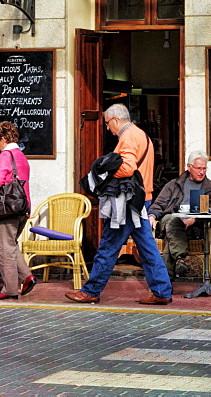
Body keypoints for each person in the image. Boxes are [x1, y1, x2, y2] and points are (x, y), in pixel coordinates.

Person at [66, 104, 172, 305]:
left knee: (109, 245)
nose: (107, 128)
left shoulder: (128, 137)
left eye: (107, 123)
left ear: (115, 120)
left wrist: (102, 173)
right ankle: (161, 291)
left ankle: (91, 291)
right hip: (142, 199)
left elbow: (127, 168)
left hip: (127, 202)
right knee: (147, 248)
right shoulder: (140, 134)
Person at [148, 150, 211, 278]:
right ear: (189, 167)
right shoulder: (174, 185)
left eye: (204, 168)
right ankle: (179, 259)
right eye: (199, 168)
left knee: (170, 234)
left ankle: (170, 275)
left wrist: (194, 219)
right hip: (173, 223)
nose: (202, 172)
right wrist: (152, 215)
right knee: (171, 219)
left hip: (194, 229)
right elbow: (159, 204)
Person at [0, 121, 36, 301]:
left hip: (9, 208)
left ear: (4, 139)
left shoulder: (6, 155)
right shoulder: (21, 155)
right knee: (11, 245)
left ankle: (10, 289)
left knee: (4, 250)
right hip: (23, 207)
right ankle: (27, 276)